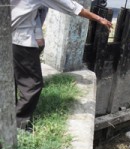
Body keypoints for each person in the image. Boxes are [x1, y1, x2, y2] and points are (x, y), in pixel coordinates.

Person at [11, 0, 112, 131]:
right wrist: (99, 18)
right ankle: (17, 125)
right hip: (20, 40)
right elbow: (70, 6)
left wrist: (38, 35)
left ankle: (7, 114)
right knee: (33, 85)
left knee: (12, 79)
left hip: (8, 36)